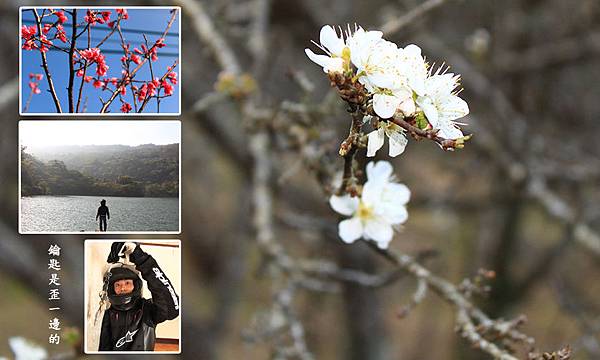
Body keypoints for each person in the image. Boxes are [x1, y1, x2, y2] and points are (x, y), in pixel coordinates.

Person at [98, 242, 180, 351]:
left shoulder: (148, 310)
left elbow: (172, 309)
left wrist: (141, 258)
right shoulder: (108, 313)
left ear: (136, 286)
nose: (122, 288)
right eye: (118, 285)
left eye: (127, 283)